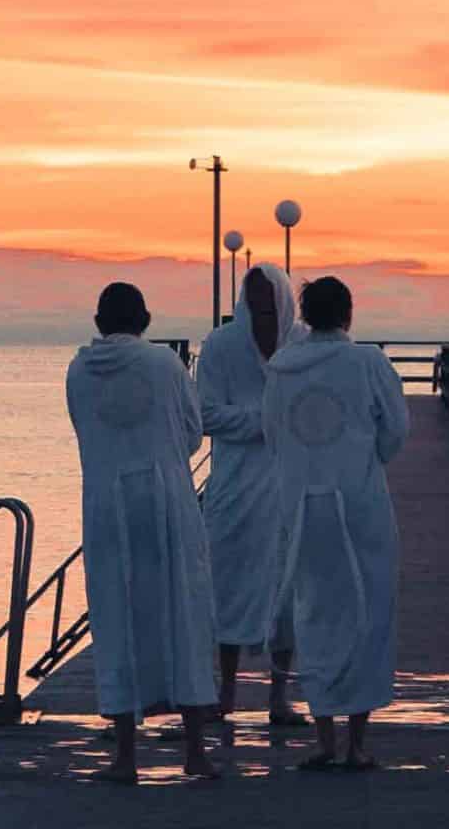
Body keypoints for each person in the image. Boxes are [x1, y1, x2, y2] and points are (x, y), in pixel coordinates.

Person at [65, 281, 224, 784]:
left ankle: (126, 757)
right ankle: (196, 750)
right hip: (165, 499)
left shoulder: (77, 371)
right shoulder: (164, 365)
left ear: (98, 323)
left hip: (106, 505)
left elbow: (84, 431)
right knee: (185, 613)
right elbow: (193, 429)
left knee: (116, 617)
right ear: (146, 319)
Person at [262, 275, 407, 770]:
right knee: (367, 609)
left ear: (305, 315)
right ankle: (357, 742)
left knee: (314, 612)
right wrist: (365, 462)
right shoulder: (367, 362)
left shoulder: (280, 369)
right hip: (359, 502)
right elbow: (396, 430)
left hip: (302, 505)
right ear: (348, 314)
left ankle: (324, 737)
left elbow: (272, 435)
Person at [197, 262, 303, 731]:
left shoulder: (302, 345)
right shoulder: (220, 346)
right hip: (235, 487)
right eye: (255, 303)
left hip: (289, 486)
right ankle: (226, 691)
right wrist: (266, 420)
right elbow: (204, 415)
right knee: (228, 585)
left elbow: (313, 412)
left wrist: (279, 422)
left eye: (270, 304)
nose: (264, 313)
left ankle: (280, 695)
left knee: (288, 590)